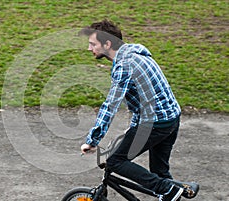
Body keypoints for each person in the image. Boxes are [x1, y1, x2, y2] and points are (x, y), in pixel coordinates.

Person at [79, 19, 198, 201]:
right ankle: (173, 189)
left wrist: (93, 140)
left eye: (92, 44)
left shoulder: (124, 65)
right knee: (160, 173)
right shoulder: (136, 53)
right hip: (171, 119)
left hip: (155, 123)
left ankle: (169, 188)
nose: (89, 49)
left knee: (116, 161)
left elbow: (110, 106)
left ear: (107, 43)